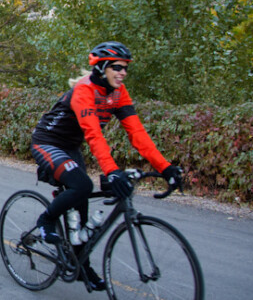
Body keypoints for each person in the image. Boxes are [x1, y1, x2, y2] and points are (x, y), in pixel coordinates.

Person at [29, 41, 182, 292]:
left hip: (71, 147)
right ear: (101, 68)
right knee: (82, 186)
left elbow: (138, 134)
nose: (123, 73)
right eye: (117, 67)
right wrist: (112, 171)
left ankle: (81, 265)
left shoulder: (118, 94)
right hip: (48, 142)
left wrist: (166, 168)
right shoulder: (84, 91)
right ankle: (46, 220)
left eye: (125, 68)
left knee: (81, 205)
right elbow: (94, 135)